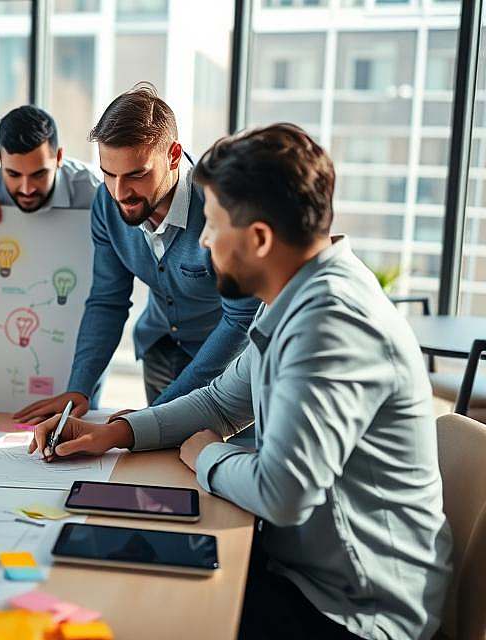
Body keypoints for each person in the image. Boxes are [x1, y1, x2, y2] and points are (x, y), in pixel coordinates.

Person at [30, 123, 453, 640]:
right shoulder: (295, 294)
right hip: (303, 571)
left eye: (211, 224)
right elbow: (222, 401)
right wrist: (117, 431)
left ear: (258, 239)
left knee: (138, 618)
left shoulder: (331, 324)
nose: (203, 241)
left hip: (356, 611)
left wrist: (206, 454)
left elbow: (281, 494)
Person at [15, 83, 259, 424]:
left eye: (137, 174)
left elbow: (241, 319)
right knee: (155, 470)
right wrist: (79, 389)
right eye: (109, 174)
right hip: (159, 351)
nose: (120, 192)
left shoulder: (219, 206)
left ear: (173, 155)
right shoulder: (107, 202)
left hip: (228, 366)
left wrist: (156, 416)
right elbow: (107, 300)